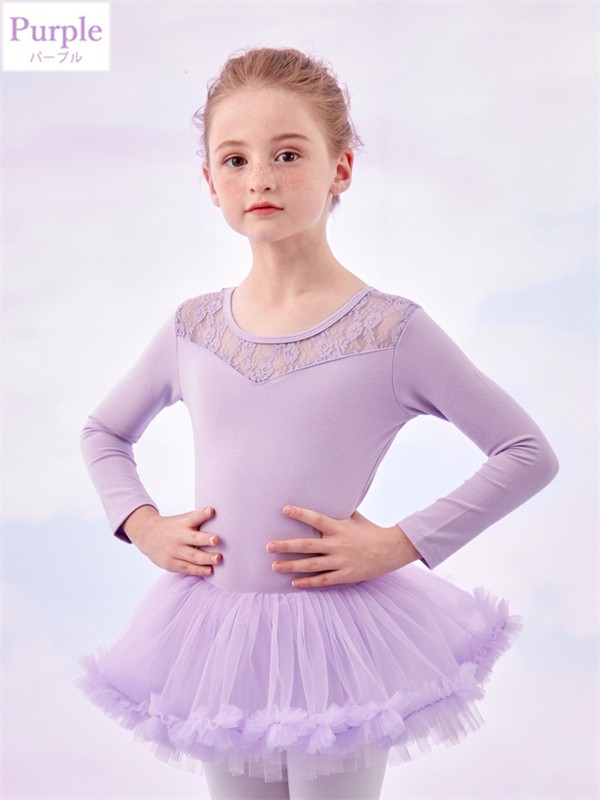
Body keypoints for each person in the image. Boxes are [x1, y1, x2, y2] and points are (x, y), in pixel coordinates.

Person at [76, 46, 559, 800]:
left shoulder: (391, 332)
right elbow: (103, 433)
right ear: (209, 181)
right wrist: (142, 525)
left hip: (337, 641)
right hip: (218, 638)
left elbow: (526, 452)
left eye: (288, 153)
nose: (260, 178)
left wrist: (401, 542)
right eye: (235, 159)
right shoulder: (192, 329)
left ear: (342, 169)